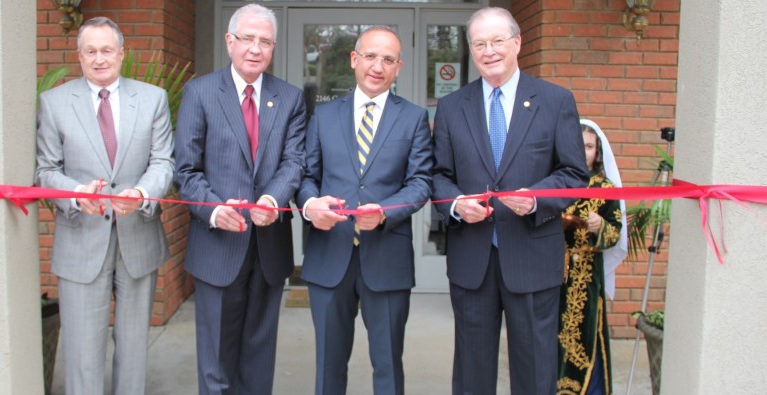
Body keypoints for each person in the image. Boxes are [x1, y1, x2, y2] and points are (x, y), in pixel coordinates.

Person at [430, 7, 589, 395]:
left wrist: (537, 199)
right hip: (473, 261)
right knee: (471, 372)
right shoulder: (452, 107)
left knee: (535, 371)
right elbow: (438, 175)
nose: (488, 51)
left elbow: (574, 174)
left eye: (497, 41)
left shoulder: (555, 100)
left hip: (533, 257)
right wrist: (455, 204)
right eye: (479, 44)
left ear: (517, 43)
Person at [35, 16, 175, 395]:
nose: (99, 58)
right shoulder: (54, 103)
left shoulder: (152, 99)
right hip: (81, 238)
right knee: (82, 353)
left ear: (122, 53)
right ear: (79, 56)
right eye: (90, 51)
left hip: (138, 238)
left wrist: (141, 194)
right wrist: (79, 193)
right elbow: (45, 171)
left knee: (132, 352)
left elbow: (163, 162)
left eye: (106, 50)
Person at [173, 3, 306, 394]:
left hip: (269, 246)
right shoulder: (200, 93)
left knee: (258, 359)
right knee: (216, 364)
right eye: (247, 38)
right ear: (229, 41)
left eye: (264, 41)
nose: (255, 48)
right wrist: (214, 211)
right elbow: (186, 170)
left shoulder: (290, 98)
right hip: (217, 245)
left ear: (273, 47)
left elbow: (294, 162)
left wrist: (272, 198)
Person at [297, 26, 433, 395]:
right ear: (354, 60)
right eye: (370, 56)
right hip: (330, 256)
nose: (378, 66)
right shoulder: (323, 117)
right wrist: (311, 206)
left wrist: (387, 211)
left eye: (388, 59)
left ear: (399, 67)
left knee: (388, 364)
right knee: (328, 365)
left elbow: (421, 182)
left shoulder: (414, 118)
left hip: (386, 258)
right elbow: (308, 176)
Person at [557, 119, 627, 395]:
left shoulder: (605, 188)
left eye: (588, 146)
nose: (583, 151)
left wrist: (601, 227)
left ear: (597, 151)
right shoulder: (558, 180)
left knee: (584, 334)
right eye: (578, 145)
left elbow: (616, 232)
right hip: (554, 272)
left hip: (586, 277)